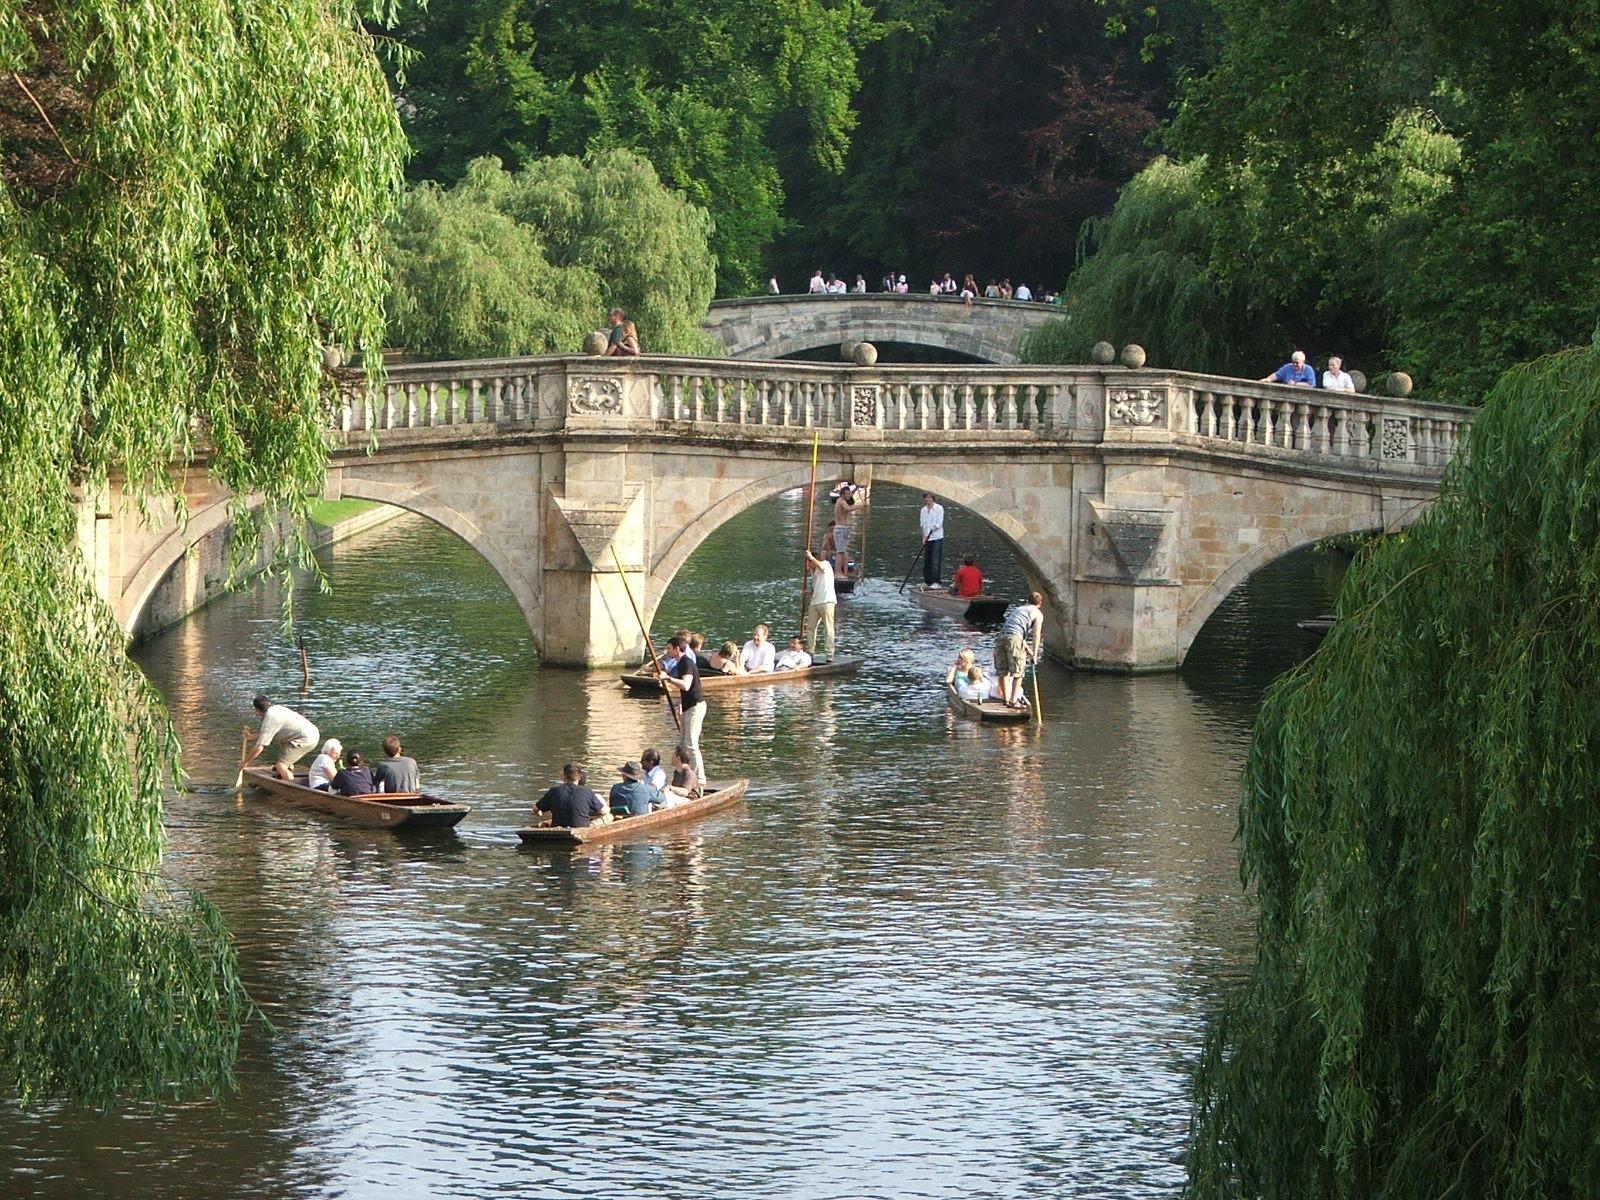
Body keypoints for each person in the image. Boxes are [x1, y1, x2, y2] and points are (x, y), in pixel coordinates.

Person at [657, 635, 706, 785]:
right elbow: (685, 691)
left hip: (696, 706)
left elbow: (686, 685)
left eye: (669, 648)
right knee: (683, 745)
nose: (667, 651)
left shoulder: (686, 663)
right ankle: (686, 775)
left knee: (691, 744)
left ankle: (700, 778)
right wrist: (682, 705)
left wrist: (668, 679)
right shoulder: (679, 664)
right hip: (687, 706)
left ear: (677, 649)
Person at [246, 695, 319, 782]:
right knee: (282, 742)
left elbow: (259, 748)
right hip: (313, 733)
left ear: (257, 710)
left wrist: (245, 762)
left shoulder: (270, 719)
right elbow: (267, 732)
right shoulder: (276, 708)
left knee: (280, 766)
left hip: (306, 739)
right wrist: (251, 736)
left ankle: (294, 787)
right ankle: (289, 767)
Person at [995, 591, 1045, 709]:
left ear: (1027, 600)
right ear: (1040, 604)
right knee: (1018, 672)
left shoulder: (1018, 609)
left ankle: (1005, 698)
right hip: (1015, 639)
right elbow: (1036, 634)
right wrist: (1035, 654)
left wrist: (1029, 651)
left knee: (1003, 671)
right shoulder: (1037, 613)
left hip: (1001, 637)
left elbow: (1015, 632)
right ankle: (1013, 701)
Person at [536, 762, 609, 828]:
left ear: (563, 776)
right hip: (581, 827)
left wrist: (538, 811)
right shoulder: (587, 791)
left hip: (558, 826)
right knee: (609, 816)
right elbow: (604, 811)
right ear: (580, 777)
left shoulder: (553, 790)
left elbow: (535, 808)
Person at [803, 545, 837, 663]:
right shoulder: (814, 574)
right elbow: (819, 587)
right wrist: (810, 592)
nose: (808, 567)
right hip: (816, 602)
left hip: (827, 601)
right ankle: (810, 652)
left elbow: (820, 565)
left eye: (809, 563)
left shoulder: (825, 565)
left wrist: (811, 557)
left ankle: (829, 653)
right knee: (810, 628)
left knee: (828, 628)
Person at [919, 492, 946, 587]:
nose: (927, 500)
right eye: (926, 498)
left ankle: (936, 582)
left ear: (933, 498)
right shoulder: (923, 510)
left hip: (936, 538)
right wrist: (923, 538)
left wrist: (932, 530)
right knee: (927, 561)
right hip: (927, 539)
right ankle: (927, 581)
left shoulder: (939, 508)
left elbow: (939, 524)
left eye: (929, 498)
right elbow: (922, 525)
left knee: (935, 561)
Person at [832, 482, 858, 576]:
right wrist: (861, 505)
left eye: (849, 493)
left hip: (844, 529)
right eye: (846, 494)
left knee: (844, 552)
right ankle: (838, 572)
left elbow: (850, 495)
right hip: (840, 529)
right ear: (842, 494)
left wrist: (857, 487)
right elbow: (848, 508)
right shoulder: (841, 501)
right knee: (840, 552)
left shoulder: (844, 499)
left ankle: (845, 573)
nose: (848, 495)